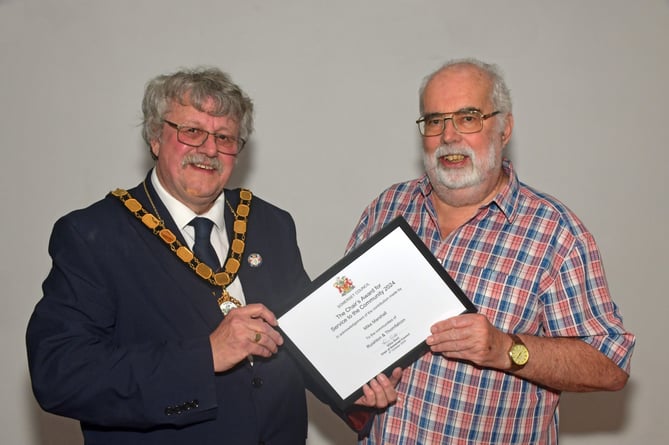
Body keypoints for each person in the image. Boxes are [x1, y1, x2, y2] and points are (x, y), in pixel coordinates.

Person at [26, 67, 399, 445]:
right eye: (191, 132)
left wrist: (355, 391)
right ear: (155, 137)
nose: (209, 149)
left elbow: (303, 340)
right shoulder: (95, 234)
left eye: (225, 137)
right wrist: (205, 357)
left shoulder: (270, 224)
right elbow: (59, 374)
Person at [346, 58, 635, 444]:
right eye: (435, 121)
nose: (448, 136)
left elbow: (610, 365)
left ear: (505, 129)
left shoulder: (555, 234)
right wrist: (356, 384)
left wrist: (506, 349)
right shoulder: (387, 208)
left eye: (468, 118)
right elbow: (348, 330)